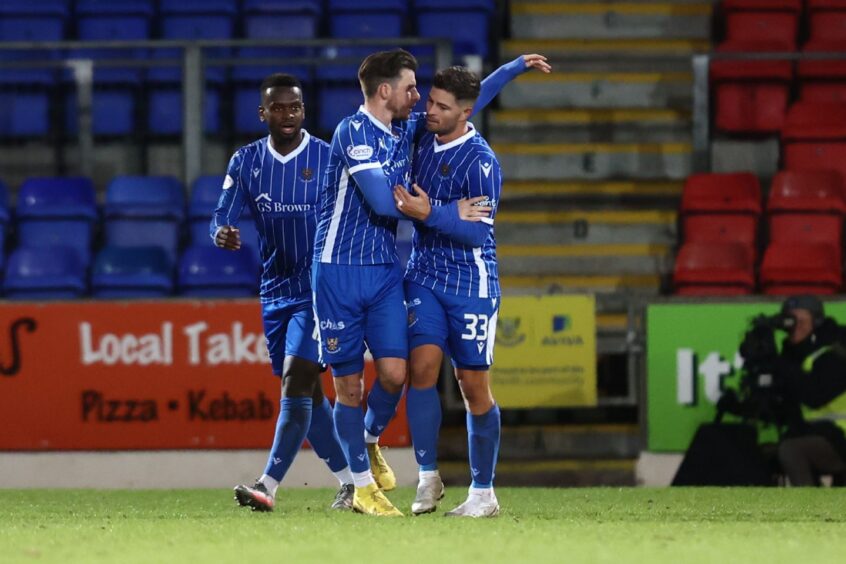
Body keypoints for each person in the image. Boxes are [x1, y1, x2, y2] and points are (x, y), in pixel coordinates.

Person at [311, 49, 550, 516]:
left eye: (435, 102)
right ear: (387, 91)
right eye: (416, 92)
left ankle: (479, 490)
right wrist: (436, 212)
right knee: (403, 374)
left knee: (450, 382)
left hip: (447, 278)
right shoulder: (378, 133)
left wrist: (512, 69)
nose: (423, 103)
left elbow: (469, 106)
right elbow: (385, 204)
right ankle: (401, 480)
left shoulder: (458, 150)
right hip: (380, 271)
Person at [211, 73, 356, 512]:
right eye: (278, 107)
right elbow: (221, 215)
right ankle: (353, 483)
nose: (288, 114)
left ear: (304, 111)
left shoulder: (328, 157)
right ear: (263, 113)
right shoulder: (246, 161)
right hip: (274, 291)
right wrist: (221, 233)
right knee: (308, 395)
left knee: (296, 378)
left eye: (295, 107)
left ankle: (267, 485)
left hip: (319, 289)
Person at [391, 66, 515, 517]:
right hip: (424, 275)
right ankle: (427, 478)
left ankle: (483, 494)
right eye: (430, 102)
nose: (430, 111)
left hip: (472, 284)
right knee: (421, 369)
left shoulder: (482, 162)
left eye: (442, 107)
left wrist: (431, 213)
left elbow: (476, 234)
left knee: (473, 388)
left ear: (466, 113)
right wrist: (515, 68)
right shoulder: (423, 136)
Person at [775, 295, 846, 486]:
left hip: (840, 437)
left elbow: (814, 395)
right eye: (789, 320)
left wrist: (780, 365)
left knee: (791, 449)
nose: (794, 326)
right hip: (821, 433)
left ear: (816, 322)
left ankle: (809, 509)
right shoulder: (791, 356)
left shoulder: (835, 351)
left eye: (801, 320)